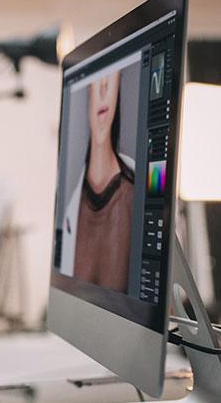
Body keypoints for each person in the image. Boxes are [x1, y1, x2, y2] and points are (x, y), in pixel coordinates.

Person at [61, 70, 134, 293]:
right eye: (96, 81)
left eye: (110, 79)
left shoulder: (135, 196)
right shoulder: (69, 204)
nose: (103, 89)